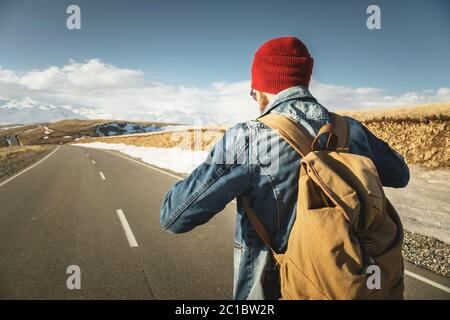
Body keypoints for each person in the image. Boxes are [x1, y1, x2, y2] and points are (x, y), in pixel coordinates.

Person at [160, 36, 410, 300]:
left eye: (253, 89)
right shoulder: (352, 129)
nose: (253, 95)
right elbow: (400, 174)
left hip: (272, 290)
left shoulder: (248, 138)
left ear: (262, 85)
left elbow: (174, 217)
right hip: (349, 281)